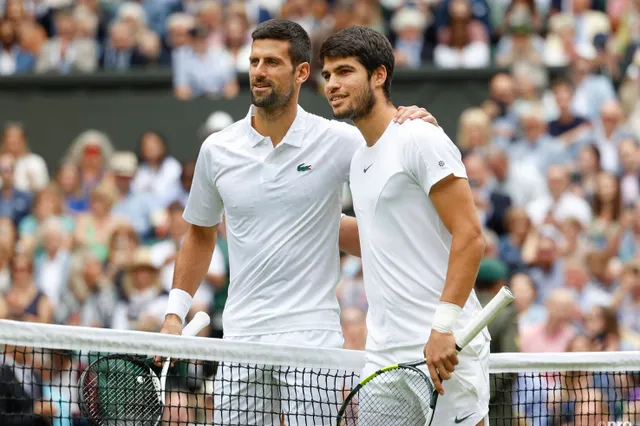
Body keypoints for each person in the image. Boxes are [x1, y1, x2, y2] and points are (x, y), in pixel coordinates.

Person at [157, 19, 437, 425]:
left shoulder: (340, 140)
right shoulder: (217, 150)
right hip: (241, 338)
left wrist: (412, 125)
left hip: (313, 336)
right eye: (254, 61)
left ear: (302, 72)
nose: (258, 71)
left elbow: (394, 169)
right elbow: (200, 235)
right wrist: (173, 314)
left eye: (271, 62)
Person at [320, 26, 489, 425]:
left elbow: (470, 236)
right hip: (384, 356)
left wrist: (444, 328)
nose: (332, 84)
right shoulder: (360, 159)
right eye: (327, 75)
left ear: (379, 76)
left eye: (345, 72)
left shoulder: (418, 137)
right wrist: (298, 221)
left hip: (445, 346)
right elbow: (376, 240)